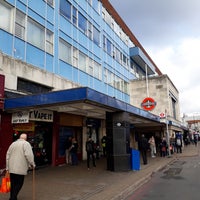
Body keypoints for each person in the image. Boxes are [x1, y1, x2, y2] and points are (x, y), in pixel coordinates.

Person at [6, 133, 35, 200]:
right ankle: (13, 198)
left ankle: (13, 197)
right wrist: (32, 164)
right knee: (19, 183)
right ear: (26, 138)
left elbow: (7, 155)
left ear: (19, 137)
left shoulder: (13, 144)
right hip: (20, 168)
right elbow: (29, 155)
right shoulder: (26, 144)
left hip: (12, 167)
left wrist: (7, 167)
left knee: (13, 184)